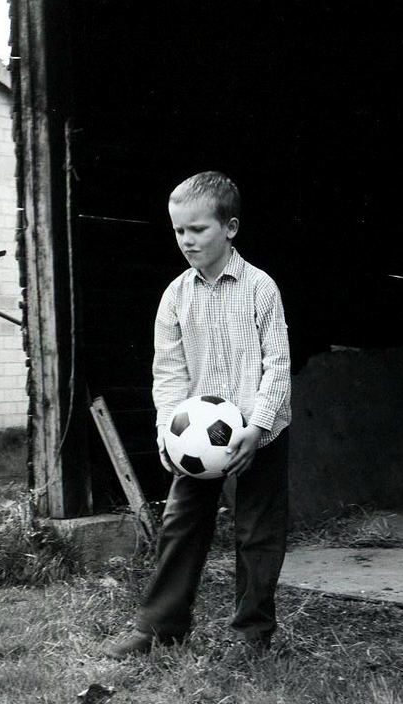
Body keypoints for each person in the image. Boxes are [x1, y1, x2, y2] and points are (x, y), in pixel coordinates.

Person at [102, 171, 291, 659]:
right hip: (197, 439)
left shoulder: (260, 289)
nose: (186, 240)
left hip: (257, 433)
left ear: (229, 227)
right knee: (181, 523)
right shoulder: (175, 296)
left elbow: (278, 364)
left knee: (256, 531)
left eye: (198, 229)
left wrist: (259, 424)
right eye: (179, 231)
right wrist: (168, 430)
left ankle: (251, 634)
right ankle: (160, 626)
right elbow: (168, 373)